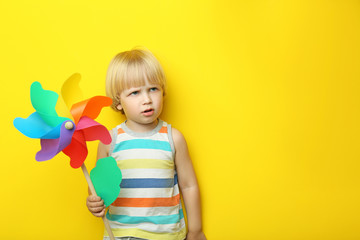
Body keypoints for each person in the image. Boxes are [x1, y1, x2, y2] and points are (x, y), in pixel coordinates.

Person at [86, 47, 206, 240]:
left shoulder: (173, 138)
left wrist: (196, 230)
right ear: (118, 102)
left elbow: (189, 185)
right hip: (120, 234)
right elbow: (98, 188)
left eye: (153, 89)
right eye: (135, 92)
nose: (147, 99)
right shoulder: (109, 141)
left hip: (166, 235)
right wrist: (94, 201)